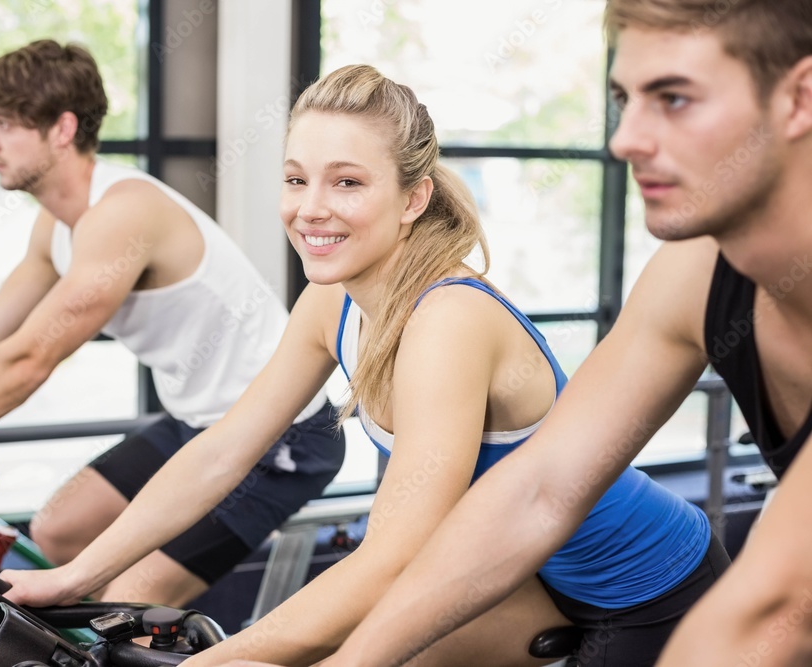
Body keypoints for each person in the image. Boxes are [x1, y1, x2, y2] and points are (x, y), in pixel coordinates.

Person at [0, 64, 727, 667]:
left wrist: (217, 661)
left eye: (347, 182)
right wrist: (76, 574)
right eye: (295, 179)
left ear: (413, 197)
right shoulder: (335, 302)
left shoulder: (448, 319)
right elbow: (222, 449)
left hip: (647, 593)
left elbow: (393, 557)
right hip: (528, 571)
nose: (310, 209)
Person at [313, 2, 812, 666]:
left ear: (800, 98)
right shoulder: (693, 276)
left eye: (673, 97)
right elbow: (538, 488)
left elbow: (780, 604)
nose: (624, 138)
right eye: (623, 98)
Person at [0, 39, 345, 607]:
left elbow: (29, 360)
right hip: (198, 420)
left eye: (2, 123)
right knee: (59, 528)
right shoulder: (60, 222)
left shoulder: (123, 213)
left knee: (127, 598)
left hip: (286, 434)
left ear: (61, 130)